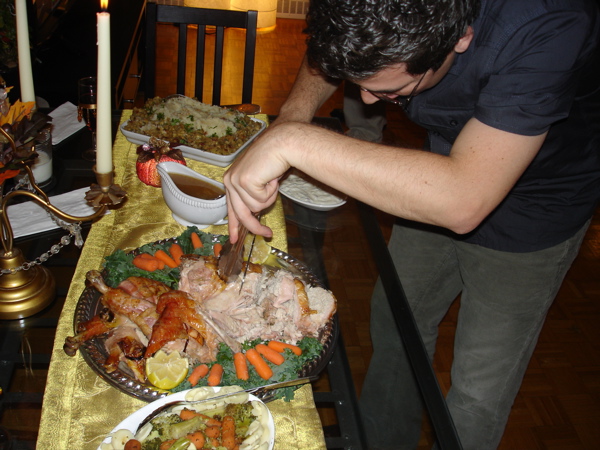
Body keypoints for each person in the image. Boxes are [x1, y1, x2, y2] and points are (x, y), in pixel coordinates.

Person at [223, 0, 600, 448]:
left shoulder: (548, 20)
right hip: (437, 167)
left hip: (534, 206)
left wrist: (292, 141)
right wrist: (290, 117)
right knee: (397, 321)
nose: (365, 100)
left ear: (461, 36)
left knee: (477, 390)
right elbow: (332, 52)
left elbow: (463, 200)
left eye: (390, 92)